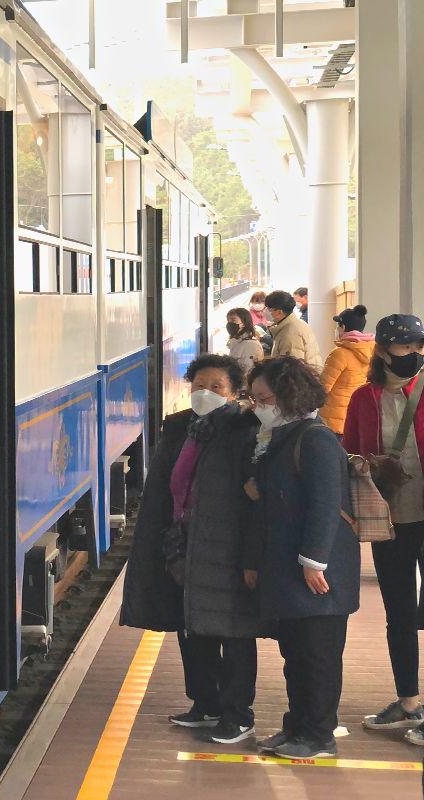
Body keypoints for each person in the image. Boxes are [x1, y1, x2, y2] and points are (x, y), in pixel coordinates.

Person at [122, 354, 263, 744]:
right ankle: (205, 702)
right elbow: (165, 490)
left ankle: (238, 712)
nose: (206, 393)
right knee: (192, 626)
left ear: (235, 392)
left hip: (225, 547)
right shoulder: (181, 427)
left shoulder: (245, 430)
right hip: (183, 545)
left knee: (233, 630)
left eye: (216, 387)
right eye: (199, 386)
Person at [246, 356, 360, 758]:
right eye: (254, 398)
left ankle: (319, 734)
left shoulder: (316, 438)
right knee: (296, 653)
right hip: (291, 568)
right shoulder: (286, 436)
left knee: (318, 656)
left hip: (319, 573)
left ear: (289, 395)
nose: (257, 406)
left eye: (263, 398)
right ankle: (297, 725)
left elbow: (326, 504)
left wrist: (314, 560)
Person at [341, 313, 424, 743]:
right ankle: (408, 701)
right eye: (404, 347)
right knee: (399, 613)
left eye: (417, 346)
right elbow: (350, 449)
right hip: (389, 519)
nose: (413, 354)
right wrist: (363, 464)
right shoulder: (363, 398)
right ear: (384, 350)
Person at [320, 305, 374, 435]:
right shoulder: (372, 351)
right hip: (356, 414)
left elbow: (323, 388)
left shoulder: (339, 354)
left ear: (342, 327)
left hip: (333, 418)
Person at [265, 289, 323, 369]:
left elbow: (291, 370)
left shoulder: (290, 334)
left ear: (279, 312)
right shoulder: (293, 324)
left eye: (269, 309)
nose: (267, 312)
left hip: (299, 380)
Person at [225, 307, 265, 375]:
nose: (230, 323)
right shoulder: (236, 341)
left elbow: (247, 371)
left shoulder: (251, 344)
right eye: (228, 320)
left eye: (233, 320)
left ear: (244, 322)